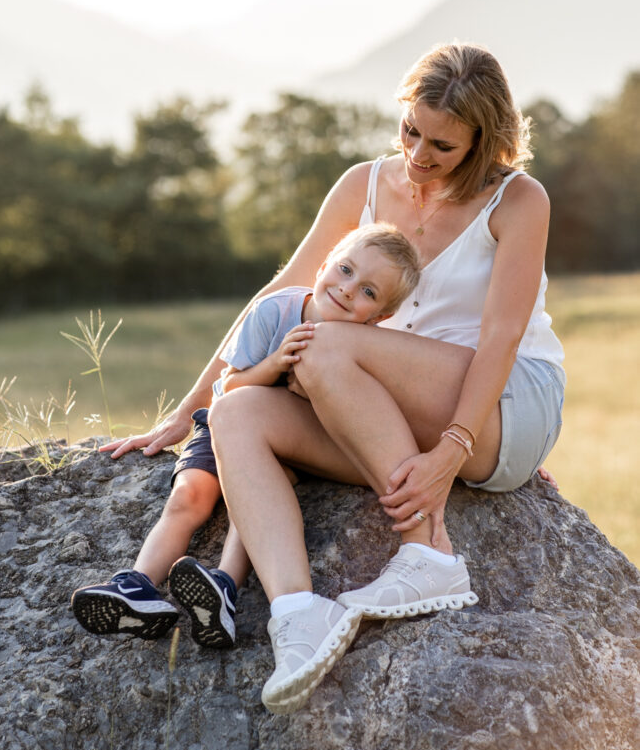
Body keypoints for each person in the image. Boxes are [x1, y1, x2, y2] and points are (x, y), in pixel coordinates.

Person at [101, 42, 565, 715]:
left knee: (321, 347)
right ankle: (296, 614)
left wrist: (452, 450)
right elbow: (281, 291)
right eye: (410, 131)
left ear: (484, 141)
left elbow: (500, 336)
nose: (418, 155)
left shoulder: (518, 199)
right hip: (383, 407)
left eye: (442, 145)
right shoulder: (364, 183)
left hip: (502, 403)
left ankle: (426, 549)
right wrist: (189, 408)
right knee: (237, 414)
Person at [71, 223, 421, 648]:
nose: (348, 290)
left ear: (381, 316)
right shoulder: (274, 312)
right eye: (346, 270)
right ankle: (137, 586)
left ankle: (222, 588)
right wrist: (274, 365)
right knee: (189, 496)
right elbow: (229, 387)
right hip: (228, 417)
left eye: (369, 292)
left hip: (286, 446)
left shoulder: (364, 347)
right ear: (325, 263)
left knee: (250, 502)